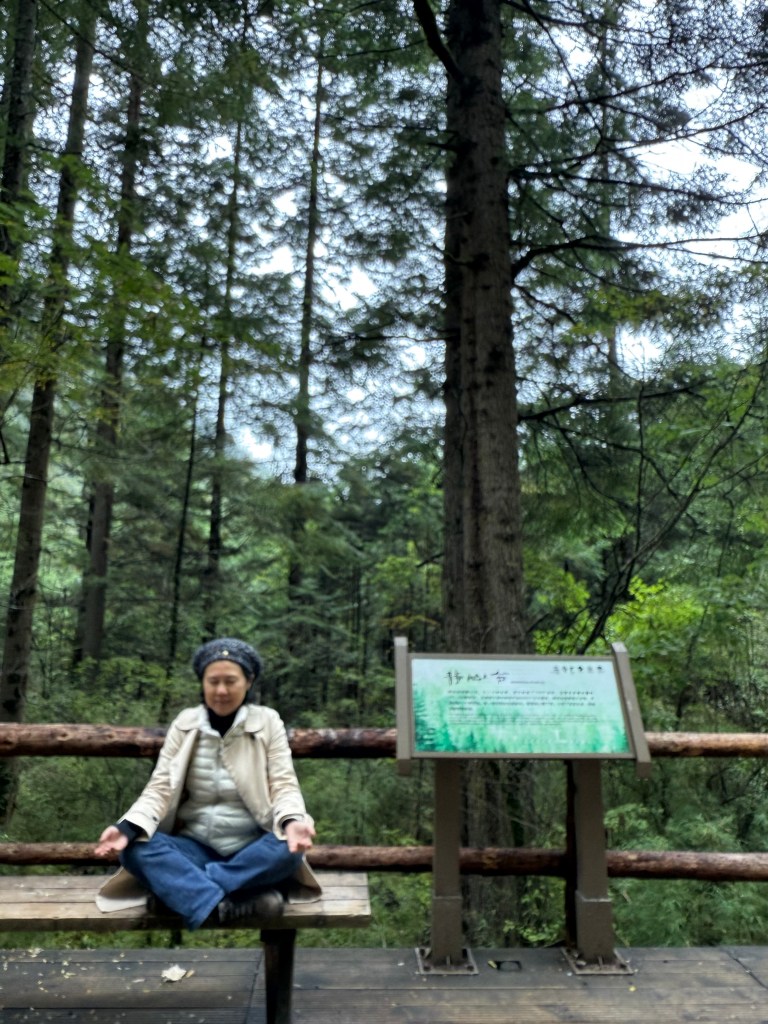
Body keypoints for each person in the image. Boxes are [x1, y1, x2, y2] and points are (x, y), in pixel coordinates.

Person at [95, 637, 320, 929]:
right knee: (135, 848)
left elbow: (284, 783)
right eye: (213, 681)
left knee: (287, 851)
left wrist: (292, 824)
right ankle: (227, 901)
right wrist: (126, 828)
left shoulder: (267, 722)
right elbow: (160, 787)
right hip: (194, 847)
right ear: (202, 682)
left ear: (248, 681)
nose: (221, 690)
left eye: (231, 681)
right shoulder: (185, 723)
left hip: (250, 848)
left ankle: (184, 892)